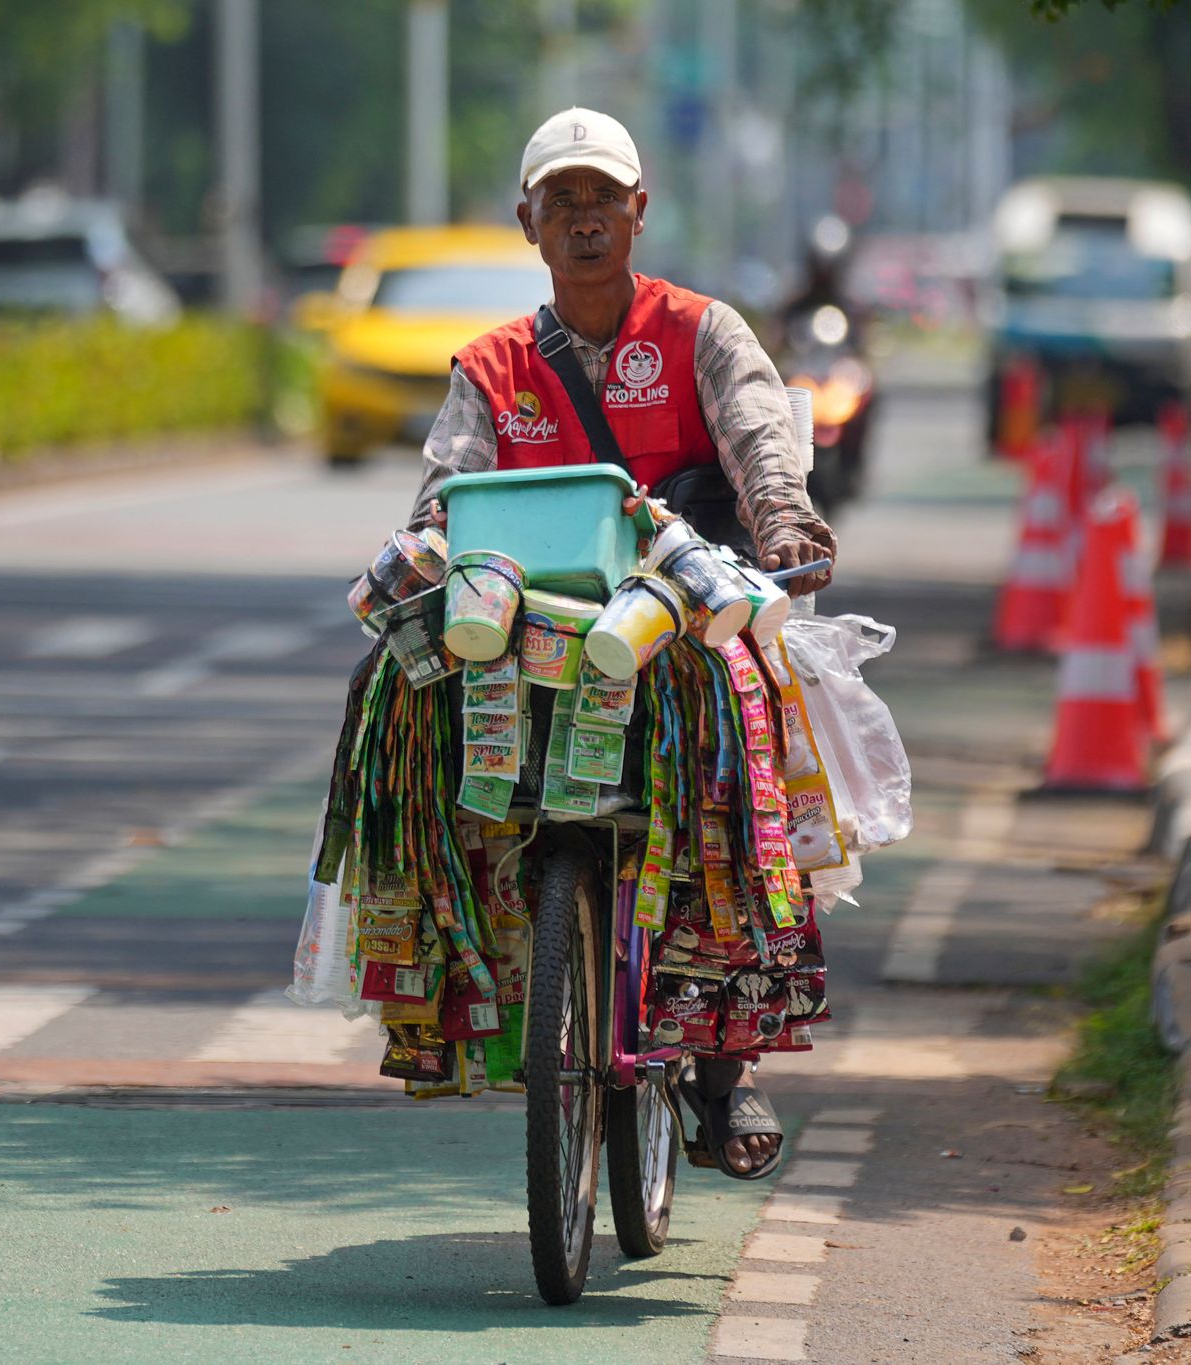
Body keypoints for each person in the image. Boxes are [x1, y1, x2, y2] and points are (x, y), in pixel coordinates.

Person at [409, 107, 837, 1179]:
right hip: (531, 640)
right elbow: (441, 493)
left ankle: (725, 1067)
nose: (586, 220)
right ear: (528, 224)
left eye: (604, 199)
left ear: (639, 212)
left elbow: (757, 440)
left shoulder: (702, 331)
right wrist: (417, 555)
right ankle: (475, 983)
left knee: (736, 781)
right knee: (414, 723)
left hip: (679, 629)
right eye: (564, 202)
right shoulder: (491, 364)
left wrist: (784, 526)